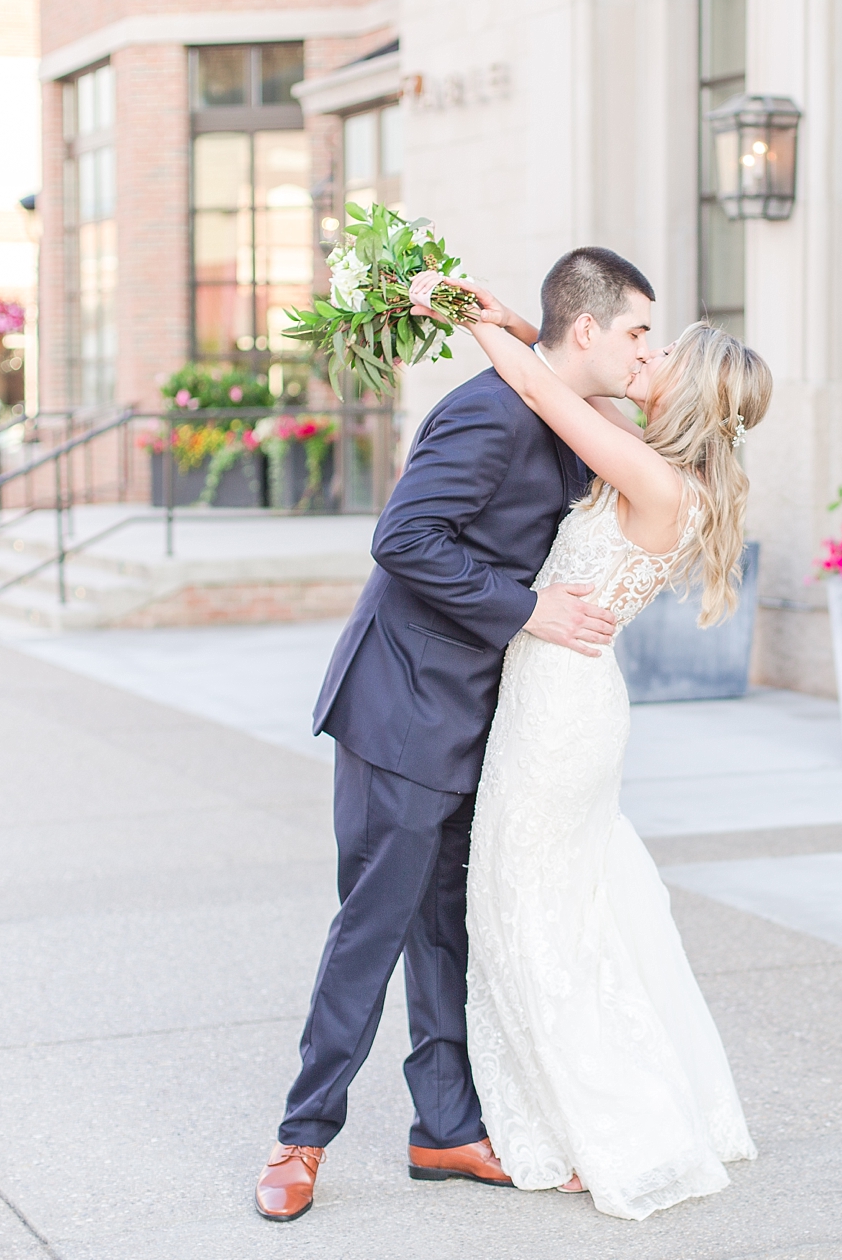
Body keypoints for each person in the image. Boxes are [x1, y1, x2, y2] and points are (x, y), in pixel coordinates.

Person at [255, 248, 656, 1222]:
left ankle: (443, 1129)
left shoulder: (560, 410)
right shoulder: (488, 413)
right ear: (589, 328)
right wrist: (526, 608)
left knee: (447, 925)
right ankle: (300, 1137)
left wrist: (513, 328)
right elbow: (402, 538)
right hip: (402, 706)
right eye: (638, 330)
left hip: (480, 716)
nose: (648, 348)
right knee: (375, 924)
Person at [413, 268, 770, 1220]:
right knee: (561, 908)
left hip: (560, 715)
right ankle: (574, 1104)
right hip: (562, 701)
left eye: (660, 353)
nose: (642, 355)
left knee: (534, 916)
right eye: (642, 339)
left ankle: (597, 1123)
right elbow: (567, 362)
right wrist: (513, 317)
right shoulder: (667, 474)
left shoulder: (649, 475)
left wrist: (458, 316)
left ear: (683, 391)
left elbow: (540, 385)